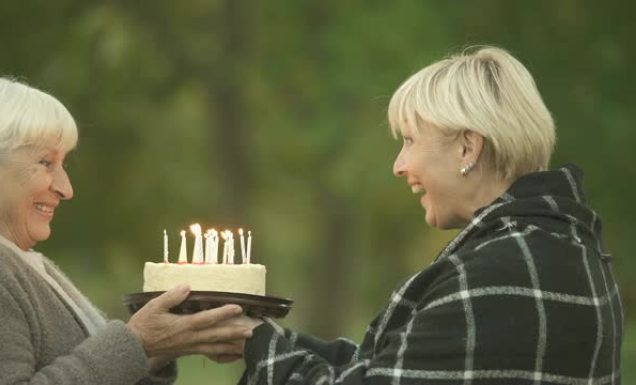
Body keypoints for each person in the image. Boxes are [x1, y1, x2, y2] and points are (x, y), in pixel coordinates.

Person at [234, 47, 624, 384]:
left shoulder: (500, 273)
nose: (399, 165)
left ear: (468, 148)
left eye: (409, 140)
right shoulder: (560, 250)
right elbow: (400, 363)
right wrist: (263, 336)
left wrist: (256, 343)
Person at [0, 73, 253, 384]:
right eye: (45, 162)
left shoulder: (12, 262)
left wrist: (167, 344)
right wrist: (136, 342)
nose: (66, 189)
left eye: (62, 164)